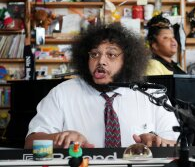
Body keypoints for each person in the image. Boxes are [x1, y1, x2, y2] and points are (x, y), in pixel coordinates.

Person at [24, 23, 179, 149]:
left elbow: (176, 144)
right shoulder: (62, 93)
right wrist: (58, 139)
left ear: (128, 60)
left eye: (111, 55)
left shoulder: (152, 94)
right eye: (94, 54)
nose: (101, 62)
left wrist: (158, 142)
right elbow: (30, 143)